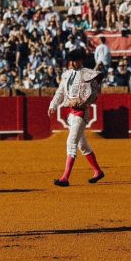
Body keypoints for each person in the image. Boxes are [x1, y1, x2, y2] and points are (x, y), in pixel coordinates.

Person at [48, 48, 106, 187]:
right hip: (71, 115)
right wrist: (53, 105)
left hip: (81, 113)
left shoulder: (88, 74)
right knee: (82, 145)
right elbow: (60, 91)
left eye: (74, 60)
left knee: (71, 143)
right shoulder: (66, 75)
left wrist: (80, 102)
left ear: (81, 61)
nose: (71, 63)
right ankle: (98, 172)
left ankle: (65, 178)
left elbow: (93, 95)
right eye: (70, 60)